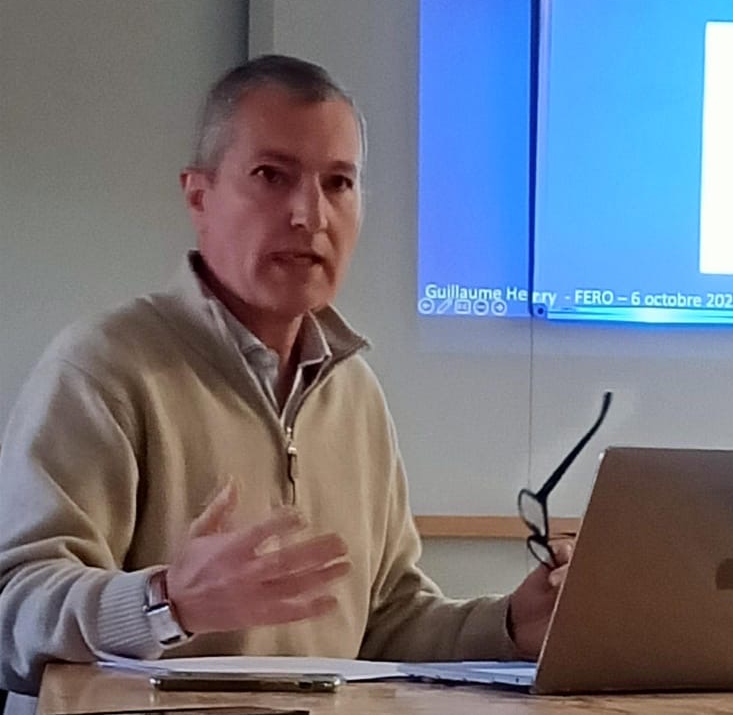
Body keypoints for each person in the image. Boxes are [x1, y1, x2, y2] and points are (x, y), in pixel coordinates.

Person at [0, 55, 568, 705]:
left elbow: (385, 624)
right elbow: (14, 609)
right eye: (272, 176)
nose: (310, 215)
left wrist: (510, 627)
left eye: (338, 183)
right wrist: (164, 603)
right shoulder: (104, 367)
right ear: (199, 197)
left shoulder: (355, 394)